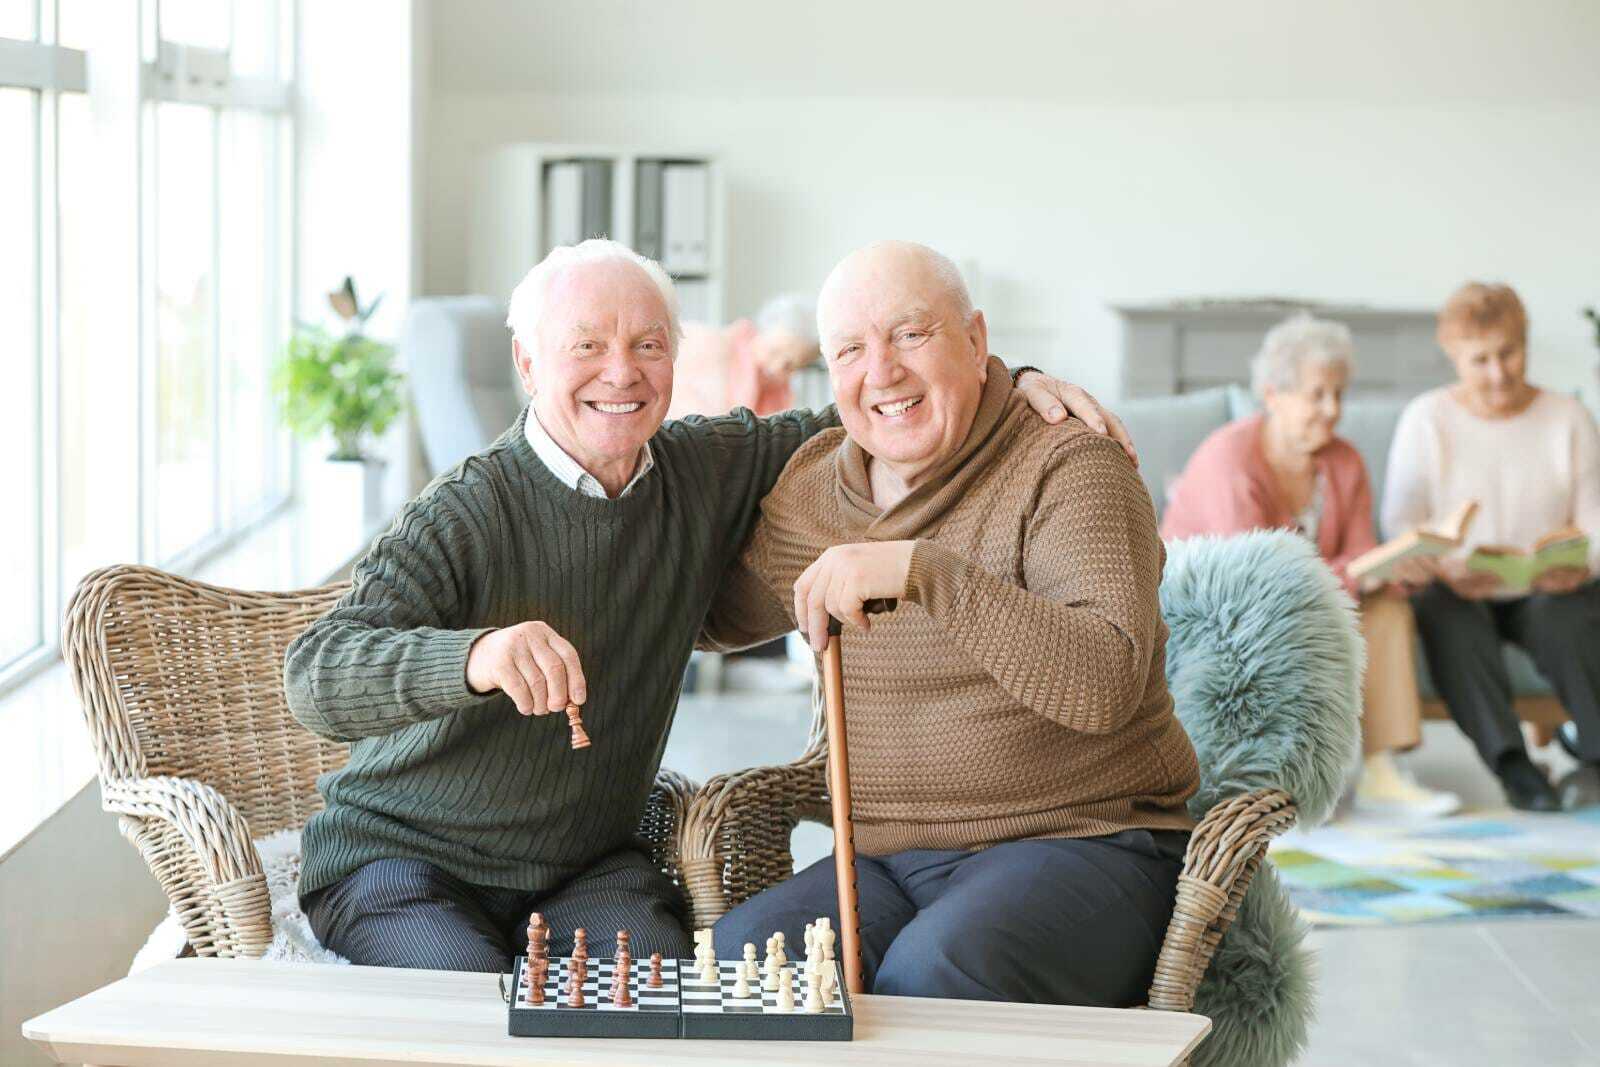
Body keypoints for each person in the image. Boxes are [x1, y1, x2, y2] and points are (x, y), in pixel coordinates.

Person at [282, 238, 1125, 973]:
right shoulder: (468, 509)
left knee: (671, 998)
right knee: (468, 1003)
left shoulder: (705, 466)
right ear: (529, 362)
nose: (622, 372)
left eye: (648, 344)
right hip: (404, 859)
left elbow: (881, 407)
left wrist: (1010, 380)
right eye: (587, 345)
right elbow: (315, 673)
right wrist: (473, 658)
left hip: (585, 865)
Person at [703, 241, 1198, 1008]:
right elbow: (703, 617)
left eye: (910, 334)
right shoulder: (814, 490)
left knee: (934, 977)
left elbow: (1104, 684)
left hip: (1088, 845)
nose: (883, 371)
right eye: (851, 350)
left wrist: (921, 571)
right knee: (740, 974)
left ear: (976, 339)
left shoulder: (1070, 465)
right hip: (885, 862)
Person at [1161, 314, 1459, 817]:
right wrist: (1359, 570)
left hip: (1308, 600)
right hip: (1217, 611)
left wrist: (1392, 569)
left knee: (1387, 608)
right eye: (1317, 395)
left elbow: (1364, 556)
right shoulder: (1230, 457)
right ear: (1273, 394)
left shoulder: (1344, 462)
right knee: (1297, 614)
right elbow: (1251, 578)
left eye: (1339, 394)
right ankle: (1258, 785)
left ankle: (1382, 774)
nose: (1332, 410)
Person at [1382, 282, 1600, 811]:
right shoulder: (1426, 418)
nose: (1499, 372)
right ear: (1454, 357)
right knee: (1442, 611)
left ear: (1525, 345)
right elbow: (1400, 523)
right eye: (1481, 360)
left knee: (1569, 616)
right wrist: (1447, 568)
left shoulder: (1567, 417)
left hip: (1547, 587)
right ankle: (1514, 766)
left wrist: (1581, 565)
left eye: (1509, 353)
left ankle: (1594, 754)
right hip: (1459, 586)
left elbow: (1596, 522)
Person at [667, 293, 821, 421]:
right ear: (761, 330)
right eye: (774, 352)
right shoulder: (712, 346)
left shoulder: (782, 399)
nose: (777, 366)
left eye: (790, 366)